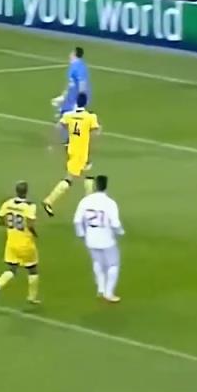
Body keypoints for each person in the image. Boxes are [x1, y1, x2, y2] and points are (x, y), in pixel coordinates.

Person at [42, 93, 100, 216]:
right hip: (82, 151)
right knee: (72, 177)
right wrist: (92, 150)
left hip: (71, 149)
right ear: (86, 102)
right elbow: (94, 134)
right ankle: (49, 201)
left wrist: (53, 143)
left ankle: (89, 206)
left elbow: (58, 127)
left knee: (88, 175)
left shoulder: (69, 116)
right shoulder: (90, 117)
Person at [73, 174, 124, 302]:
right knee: (113, 264)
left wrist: (81, 234)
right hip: (107, 239)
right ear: (106, 186)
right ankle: (109, 293)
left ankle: (100, 288)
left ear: (95, 186)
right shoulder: (110, 203)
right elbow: (115, 223)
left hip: (90, 239)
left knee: (97, 262)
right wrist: (120, 232)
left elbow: (77, 220)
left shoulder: (85, 201)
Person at [0, 180, 40, 306]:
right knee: (33, 269)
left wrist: (6, 224)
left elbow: (0, 219)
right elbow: (30, 224)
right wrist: (35, 233)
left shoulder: (8, 203)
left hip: (11, 242)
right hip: (26, 243)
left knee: (12, 269)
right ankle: (32, 297)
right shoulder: (30, 206)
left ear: (16, 191)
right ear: (26, 192)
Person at [52, 46, 90, 116]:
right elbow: (71, 83)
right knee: (63, 114)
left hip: (76, 99)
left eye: (71, 53)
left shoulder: (79, 67)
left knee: (69, 117)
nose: (69, 55)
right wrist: (64, 96)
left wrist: (80, 101)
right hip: (71, 97)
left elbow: (82, 83)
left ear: (74, 54)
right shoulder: (73, 66)